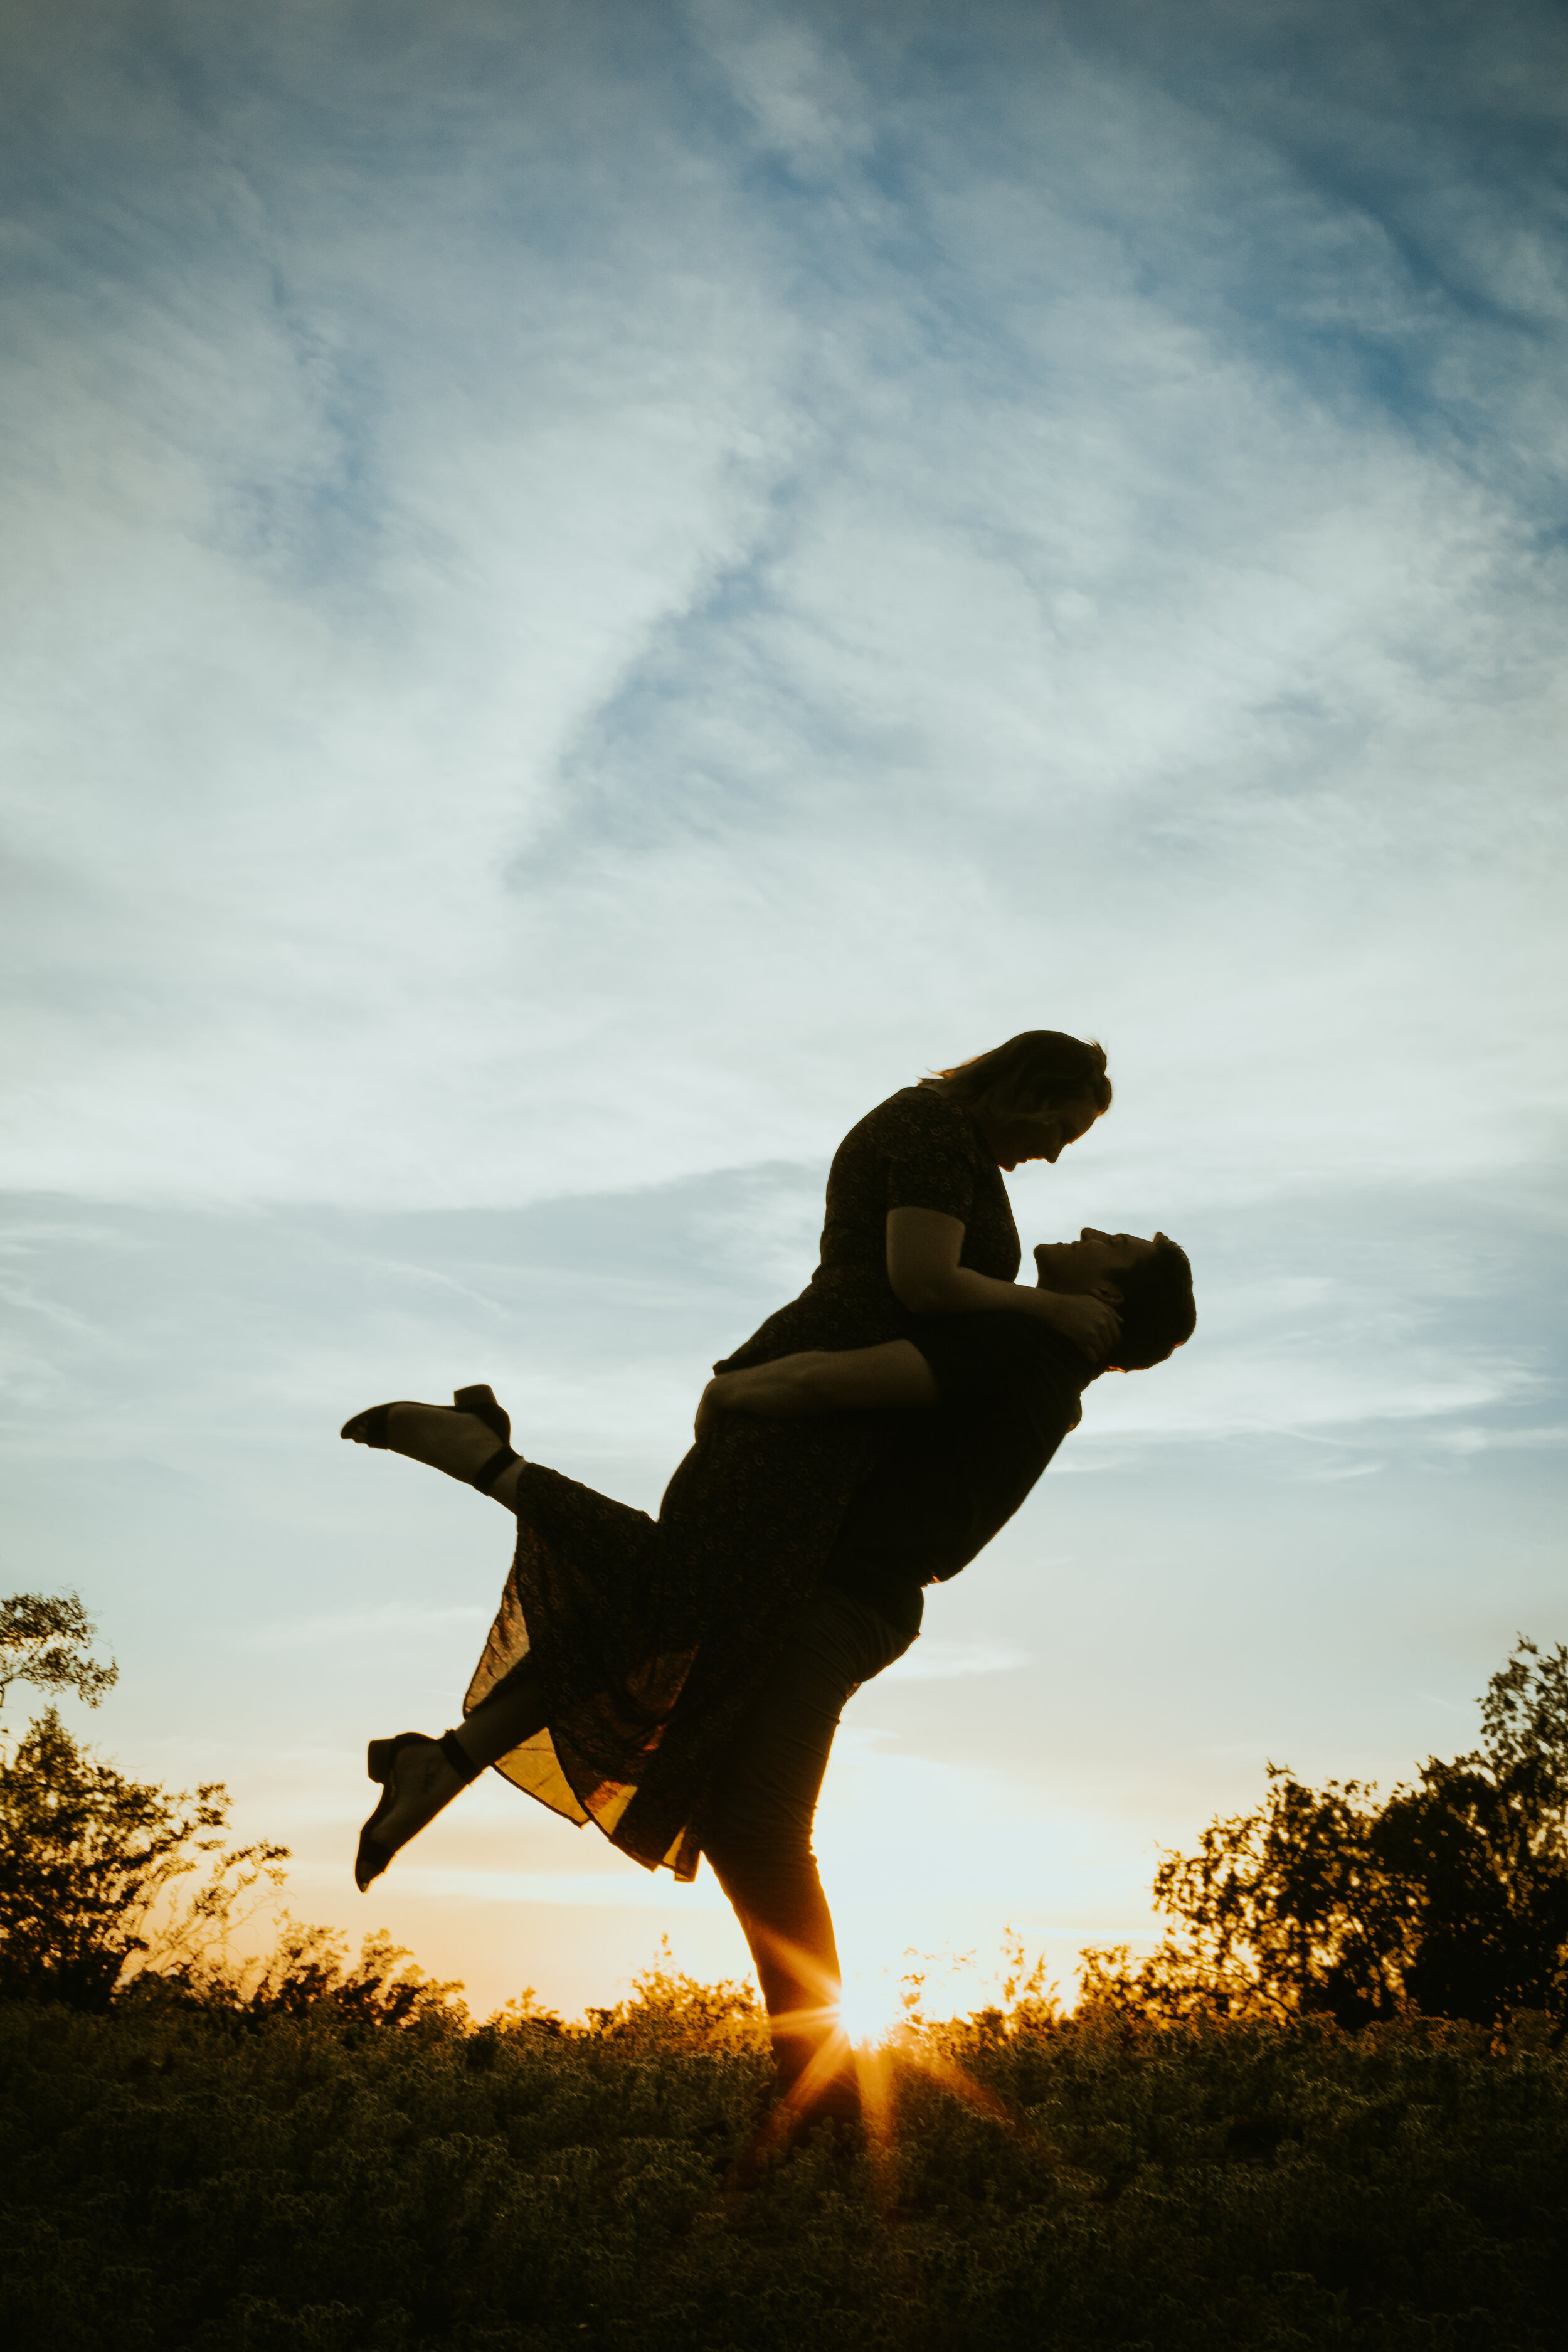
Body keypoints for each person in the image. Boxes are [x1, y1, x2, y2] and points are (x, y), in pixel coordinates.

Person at [339, 1033, 1193, 2119]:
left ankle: (456, 1707)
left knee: (669, 1601)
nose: (1063, 1163)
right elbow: (920, 1286)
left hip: (823, 1466)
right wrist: (768, 1383)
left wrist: (766, 1383)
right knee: (677, 1605)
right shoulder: (943, 1150)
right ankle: (479, 1519)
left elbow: (927, 1314)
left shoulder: (1021, 1310)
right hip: (810, 1432)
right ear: (1032, 1088)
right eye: (1062, 1127)